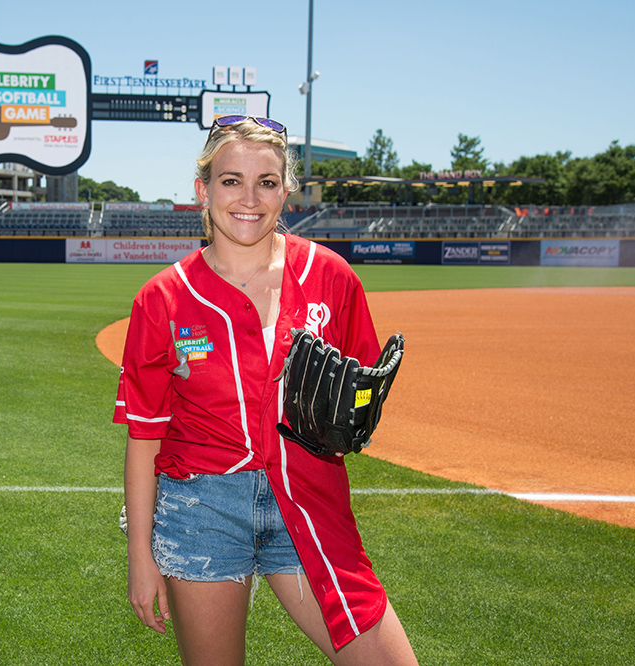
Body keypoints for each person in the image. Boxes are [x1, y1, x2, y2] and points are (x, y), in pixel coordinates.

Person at [114, 116, 419, 666]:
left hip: (309, 495)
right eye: (231, 180)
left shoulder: (331, 275)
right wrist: (141, 554)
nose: (249, 199)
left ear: (287, 190)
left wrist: (349, 417)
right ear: (203, 190)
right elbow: (144, 437)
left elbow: (358, 392)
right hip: (201, 505)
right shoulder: (162, 298)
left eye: (268, 182)